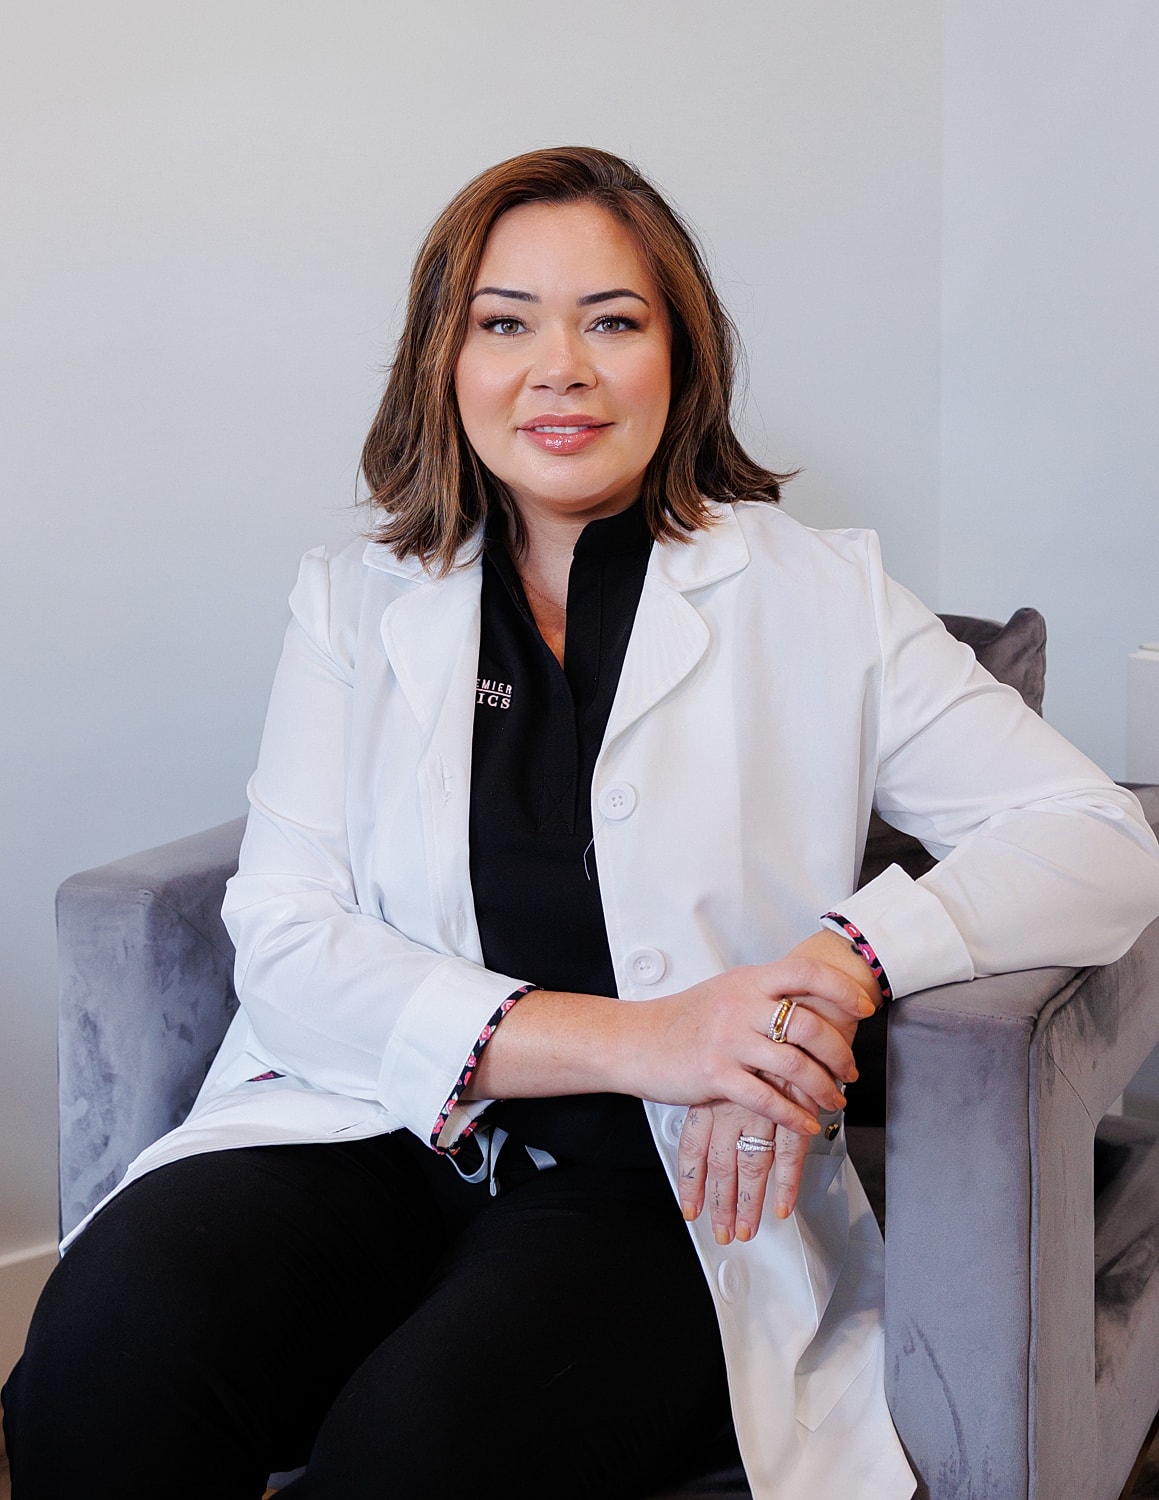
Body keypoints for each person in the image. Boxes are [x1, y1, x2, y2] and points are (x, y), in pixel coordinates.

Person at [5, 146, 1159, 1500]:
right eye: (506, 322)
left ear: (682, 358)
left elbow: (1096, 836)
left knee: (416, 1456)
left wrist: (838, 969)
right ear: (447, 358)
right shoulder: (358, 600)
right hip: (368, 1123)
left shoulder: (820, 598)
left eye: (613, 320)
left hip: (657, 1187)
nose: (560, 368)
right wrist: (652, 1035)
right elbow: (284, 934)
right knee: (96, 1361)